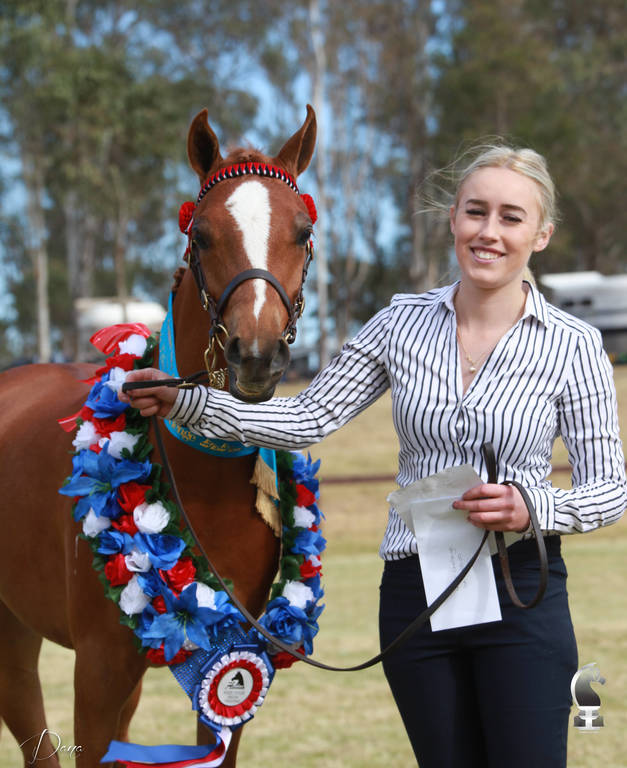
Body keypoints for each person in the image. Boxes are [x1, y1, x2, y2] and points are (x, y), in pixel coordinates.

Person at [120, 143, 626, 768]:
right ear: (453, 220)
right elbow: (307, 415)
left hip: (523, 590)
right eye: (475, 212)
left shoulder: (575, 345)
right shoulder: (399, 323)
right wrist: (188, 405)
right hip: (416, 593)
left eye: (511, 217)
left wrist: (533, 505)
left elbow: (609, 489)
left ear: (541, 234)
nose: (488, 232)